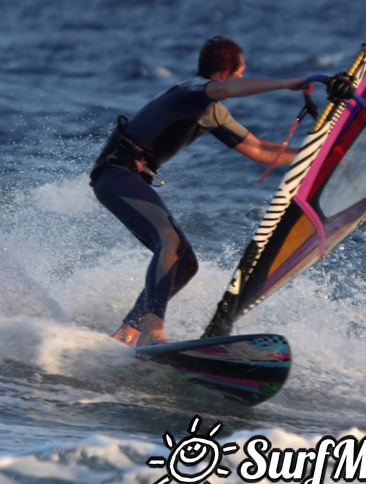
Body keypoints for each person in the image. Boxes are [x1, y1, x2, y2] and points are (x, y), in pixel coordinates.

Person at [90, 36, 311, 347]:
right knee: (168, 240)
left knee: (186, 264)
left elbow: (259, 150)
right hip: (115, 174)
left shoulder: (213, 111)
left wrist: (319, 151)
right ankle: (153, 331)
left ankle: (126, 333)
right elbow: (221, 90)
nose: (241, 80)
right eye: (241, 74)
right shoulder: (192, 89)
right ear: (225, 73)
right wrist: (288, 83)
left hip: (129, 178)